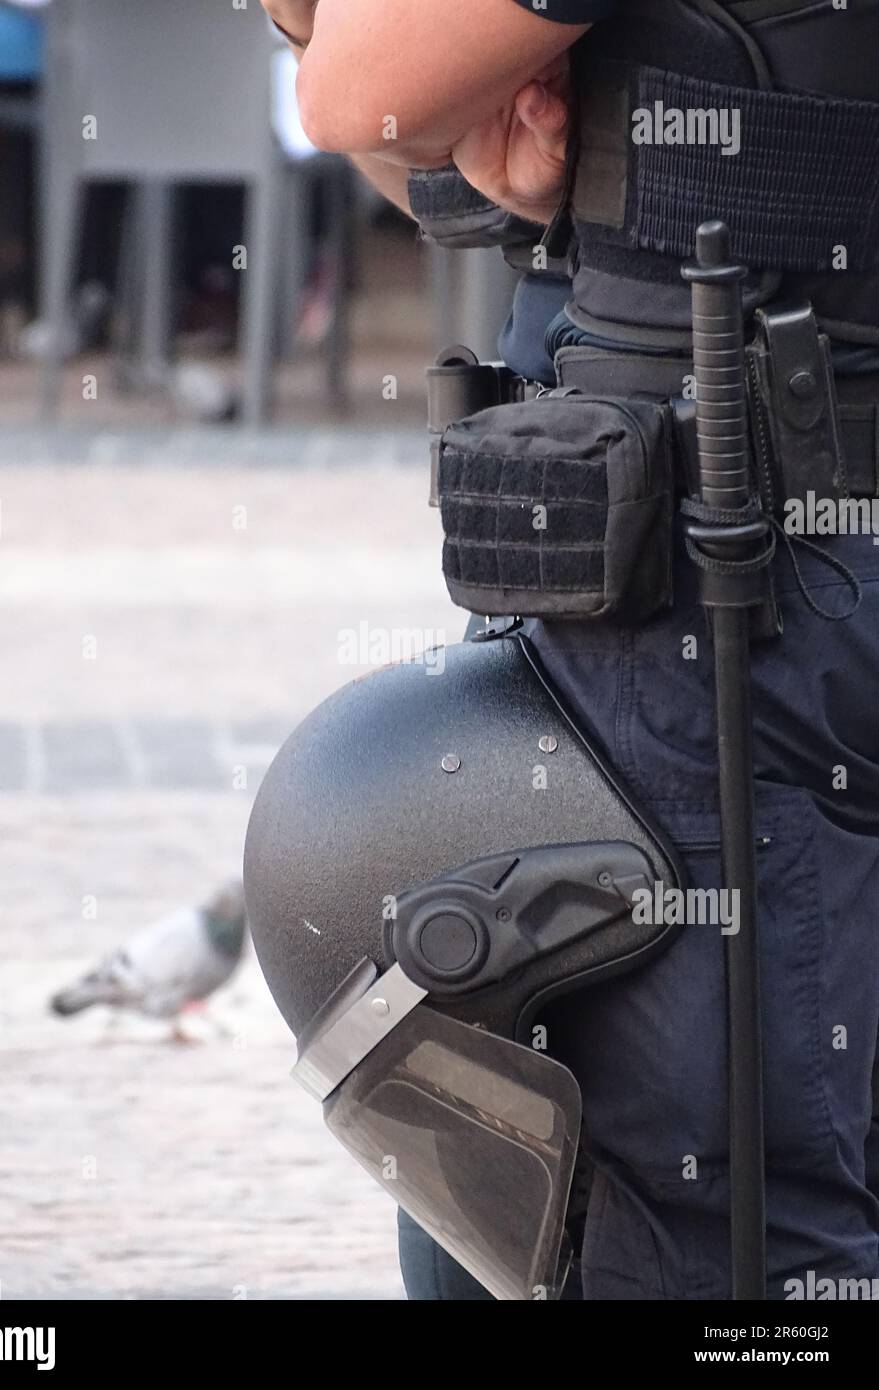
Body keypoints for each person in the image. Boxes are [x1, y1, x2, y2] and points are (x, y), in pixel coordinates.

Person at [256, 0, 879, 1300]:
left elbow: (361, 95)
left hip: (736, 563)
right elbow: (443, 159)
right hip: (739, 501)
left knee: (696, 1219)